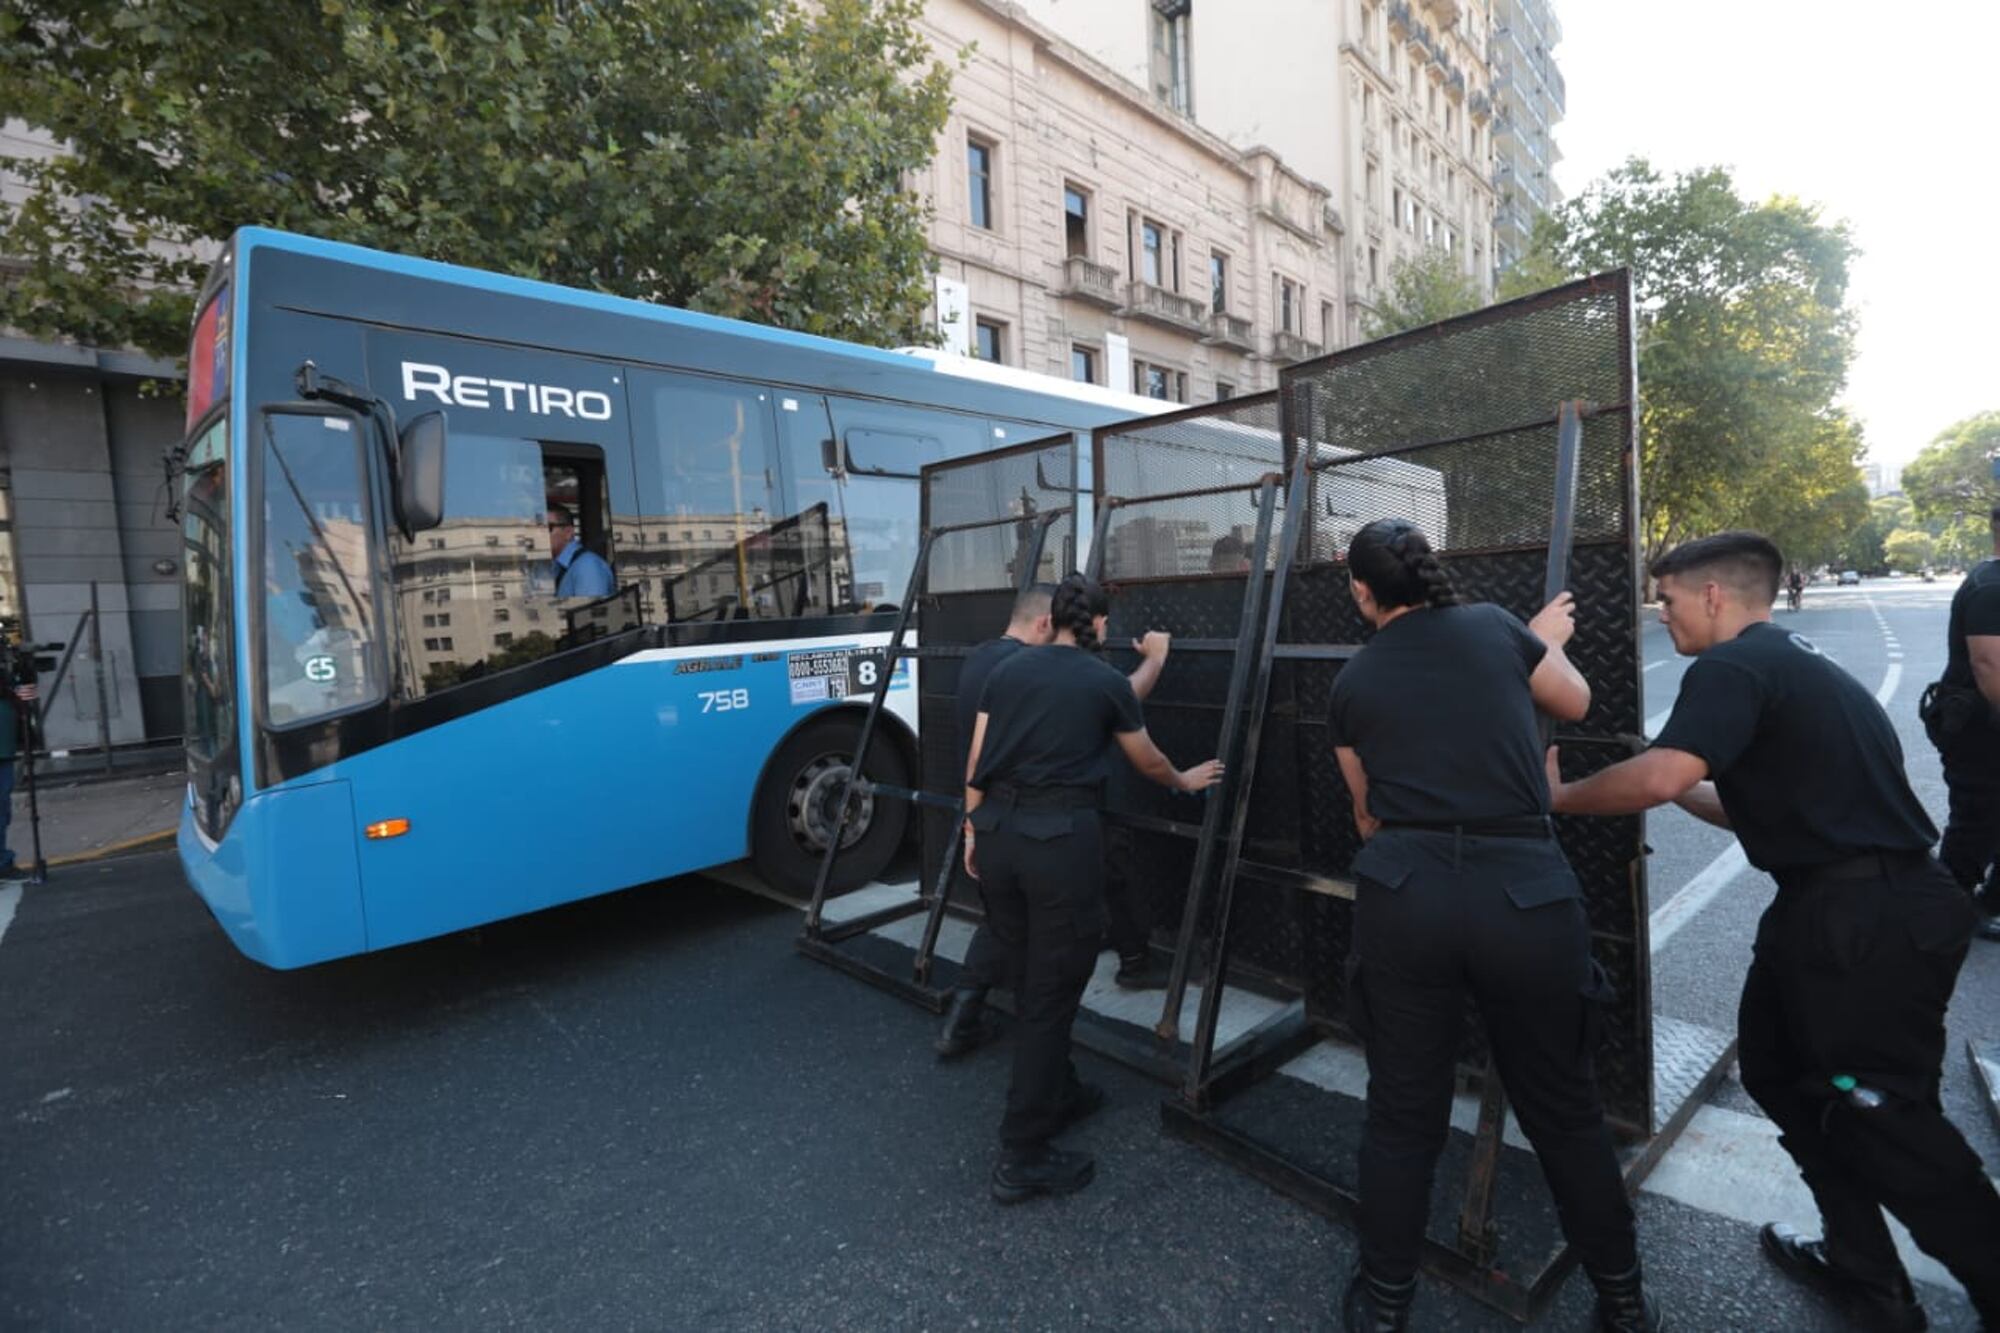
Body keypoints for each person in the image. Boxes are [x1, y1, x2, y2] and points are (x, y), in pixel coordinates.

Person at [1547, 530, 2000, 1331]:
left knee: (1885, 1113)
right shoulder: (1797, 663)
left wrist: (1558, 795)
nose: (1663, 611)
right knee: (1781, 1073)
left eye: (1668, 598)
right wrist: (1675, 782)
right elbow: (1760, 801)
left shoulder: (1731, 664)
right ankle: (1865, 1268)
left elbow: (1662, 774)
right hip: (1856, 905)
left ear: (1714, 595)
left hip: (1862, 921)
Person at [1328, 519, 1660, 1333]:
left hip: (1406, 894)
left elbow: (1369, 818)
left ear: (1364, 594)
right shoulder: (1495, 629)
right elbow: (1575, 701)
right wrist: (1535, 643)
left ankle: (1386, 1304)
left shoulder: (1353, 681)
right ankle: (1621, 1300)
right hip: (1526, 895)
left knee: (1403, 1112)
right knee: (1565, 1108)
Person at [963, 572, 1222, 1202]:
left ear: (1050, 621)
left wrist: (972, 830)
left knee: (1029, 977)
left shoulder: (1007, 671)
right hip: (1058, 844)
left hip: (997, 835)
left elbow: (977, 762)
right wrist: (1185, 781)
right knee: (1052, 991)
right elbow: (1148, 760)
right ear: (1098, 626)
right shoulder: (1105, 682)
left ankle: (1062, 1090)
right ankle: (1022, 1153)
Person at [936, 584, 1176, 1058]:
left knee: (1008, 925)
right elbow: (1116, 697)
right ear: (1048, 623)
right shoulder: (1025, 669)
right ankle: (1035, 1059)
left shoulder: (982, 661)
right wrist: (1156, 660)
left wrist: (971, 828)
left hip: (996, 818)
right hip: (1048, 816)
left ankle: (969, 1022)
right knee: (1047, 941)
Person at [1928, 502, 2000, 942]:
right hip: (1981, 733)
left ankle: (1986, 905)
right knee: (1977, 823)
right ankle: (1942, 916)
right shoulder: (1990, 587)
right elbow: (1990, 667)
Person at [1, 655, 39, 883]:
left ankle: (2, 862)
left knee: (2, 812)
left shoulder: (7, 681)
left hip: (4, 752)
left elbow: (21, 701)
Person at [547, 505, 615, 598]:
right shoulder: (556, 567)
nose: (540, 533)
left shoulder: (587, 566)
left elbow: (591, 611)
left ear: (568, 532)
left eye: (548, 527)